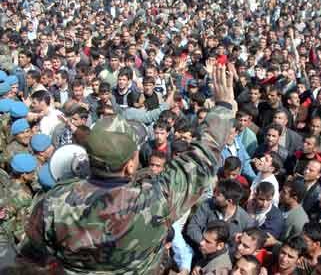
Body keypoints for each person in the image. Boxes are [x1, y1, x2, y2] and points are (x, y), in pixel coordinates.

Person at [21, 65, 235, 274]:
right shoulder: (156, 199)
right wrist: (223, 107)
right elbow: (203, 157)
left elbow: (32, 257)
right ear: (130, 164)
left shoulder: (54, 202)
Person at [186, 179, 254, 251]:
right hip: (199, 250)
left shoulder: (245, 221)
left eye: (218, 195)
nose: (214, 195)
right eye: (215, 192)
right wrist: (204, 243)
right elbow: (193, 227)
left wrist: (218, 250)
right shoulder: (208, 204)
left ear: (229, 201)